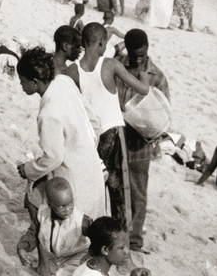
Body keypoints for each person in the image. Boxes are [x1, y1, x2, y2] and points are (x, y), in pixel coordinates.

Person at [15, 46, 106, 223]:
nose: (21, 86)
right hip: (93, 168)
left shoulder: (48, 113)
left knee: (71, 230)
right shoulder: (64, 82)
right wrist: (85, 150)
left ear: (34, 82)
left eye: (22, 81)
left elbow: (53, 158)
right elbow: (95, 123)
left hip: (73, 181)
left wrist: (27, 169)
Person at [77, 22, 149, 223]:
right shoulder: (111, 64)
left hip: (104, 137)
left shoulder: (74, 70)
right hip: (114, 135)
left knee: (101, 185)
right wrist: (144, 80)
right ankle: (119, 234)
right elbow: (144, 90)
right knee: (118, 190)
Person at [120, 28, 169, 251]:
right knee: (114, 187)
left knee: (138, 192)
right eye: (134, 55)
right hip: (115, 139)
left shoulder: (157, 77)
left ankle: (134, 240)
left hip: (140, 145)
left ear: (148, 49)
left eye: (142, 54)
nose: (138, 59)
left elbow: (164, 113)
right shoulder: (117, 66)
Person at [70, 215, 150, 276]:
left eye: (127, 246)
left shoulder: (94, 267)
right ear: (105, 250)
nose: (127, 251)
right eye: (121, 247)